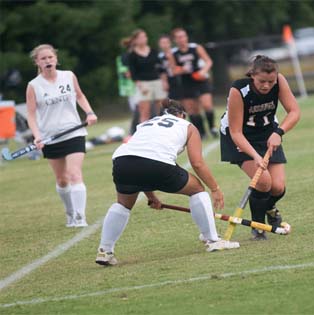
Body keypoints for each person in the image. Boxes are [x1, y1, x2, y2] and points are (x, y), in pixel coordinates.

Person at [95, 99, 239, 266]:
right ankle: (212, 240)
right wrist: (215, 188)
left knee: (123, 204)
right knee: (197, 189)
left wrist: (151, 196)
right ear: (182, 115)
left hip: (122, 162)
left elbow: (140, 158)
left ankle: (105, 251)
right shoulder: (188, 126)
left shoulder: (146, 124)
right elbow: (197, 163)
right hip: (156, 163)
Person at [220, 55, 301, 240]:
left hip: (268, 133)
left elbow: (295, 111)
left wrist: (278, 133)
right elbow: (236, 132)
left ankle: (270, 209)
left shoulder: (279, 82)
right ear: (252, 75)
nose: (266, 86)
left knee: (278, 187)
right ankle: (258, 227)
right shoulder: (239, 90)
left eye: (270, 81)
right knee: (264, 181)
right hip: (239, 135)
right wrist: (256, 157)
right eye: (262, 81)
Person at [26, 44, 98, 227]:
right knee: (62, 179)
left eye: (50, 57)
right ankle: (70, 213)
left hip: (74, 132)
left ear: (56, 59)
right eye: (43, 59)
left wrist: (89, 113)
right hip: (50, 137)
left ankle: (81, 218)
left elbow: (80, 96)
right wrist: (37, 136)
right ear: (37, 62)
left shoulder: (68, 76)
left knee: (74, 174)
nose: (48, 61)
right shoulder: (33, 86)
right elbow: (31, 114)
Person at [171, 27, 217, 139]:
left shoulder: (195, 48)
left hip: (200, 80)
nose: (182, 39)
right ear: (175, 40)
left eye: (183, 36)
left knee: (207, 104)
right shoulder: (173, 53)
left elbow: (208, 61)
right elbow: (173, 70)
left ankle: (212, 128)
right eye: (179, 37)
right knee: (193, 110)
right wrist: (182, 69)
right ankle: (201, 133)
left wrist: (203, 71)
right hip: (186, 82)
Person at [127, 29, 167, 122]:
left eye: (144, 36)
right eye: (140, 37)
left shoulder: (153, 51)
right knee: (145, 111)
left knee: (161, 110)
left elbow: (161, 68)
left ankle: (162, 131)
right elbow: (133, 73)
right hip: (143, 83)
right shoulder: (132, 55)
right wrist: (140, 86)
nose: (143, 39)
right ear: (135, 40)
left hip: (157, 81)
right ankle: (144, 133)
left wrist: (164, 82)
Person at [158, 35, 182, 102]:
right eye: (162, 43)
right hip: (170, 81)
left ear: (170, 43)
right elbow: (161, 71)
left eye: (166, 42)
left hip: (181, 79)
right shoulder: (160, 57)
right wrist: (164, 81)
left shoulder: (176, 52)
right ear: (160, 44)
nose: (165, 45)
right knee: (174, 102)